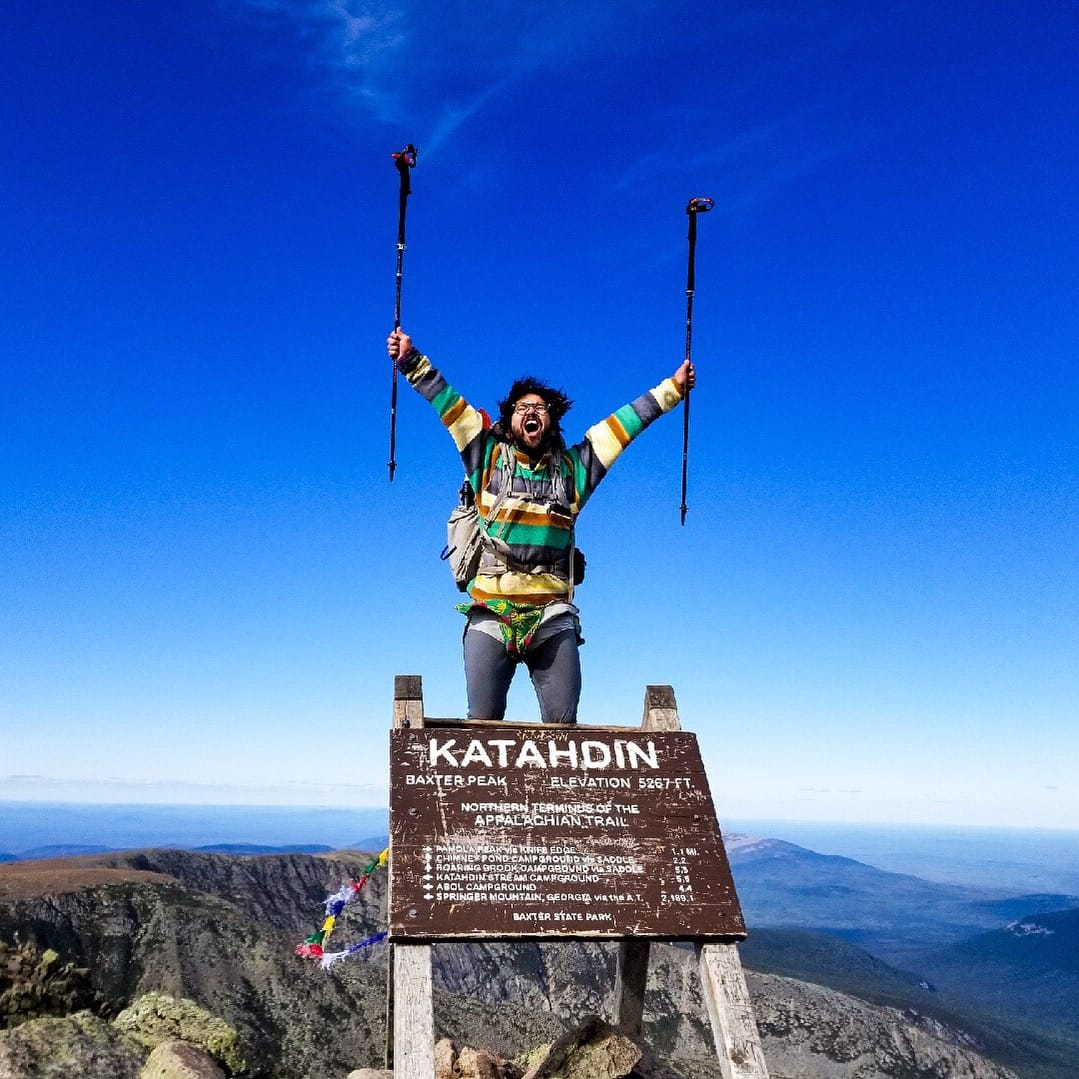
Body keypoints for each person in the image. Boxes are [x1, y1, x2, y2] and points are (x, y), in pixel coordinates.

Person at [386, 329, 695, 725]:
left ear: (553, 419)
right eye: (521, 407)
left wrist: (674, 388)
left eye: (541, 407)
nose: (531, 412)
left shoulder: (574, 470)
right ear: (508, 419)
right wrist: (410, 360)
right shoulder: (485, 457)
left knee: (562, 731)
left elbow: (624, 425)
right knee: (483, 727)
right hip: (490, 613)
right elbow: (448, 403)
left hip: (552, 614)